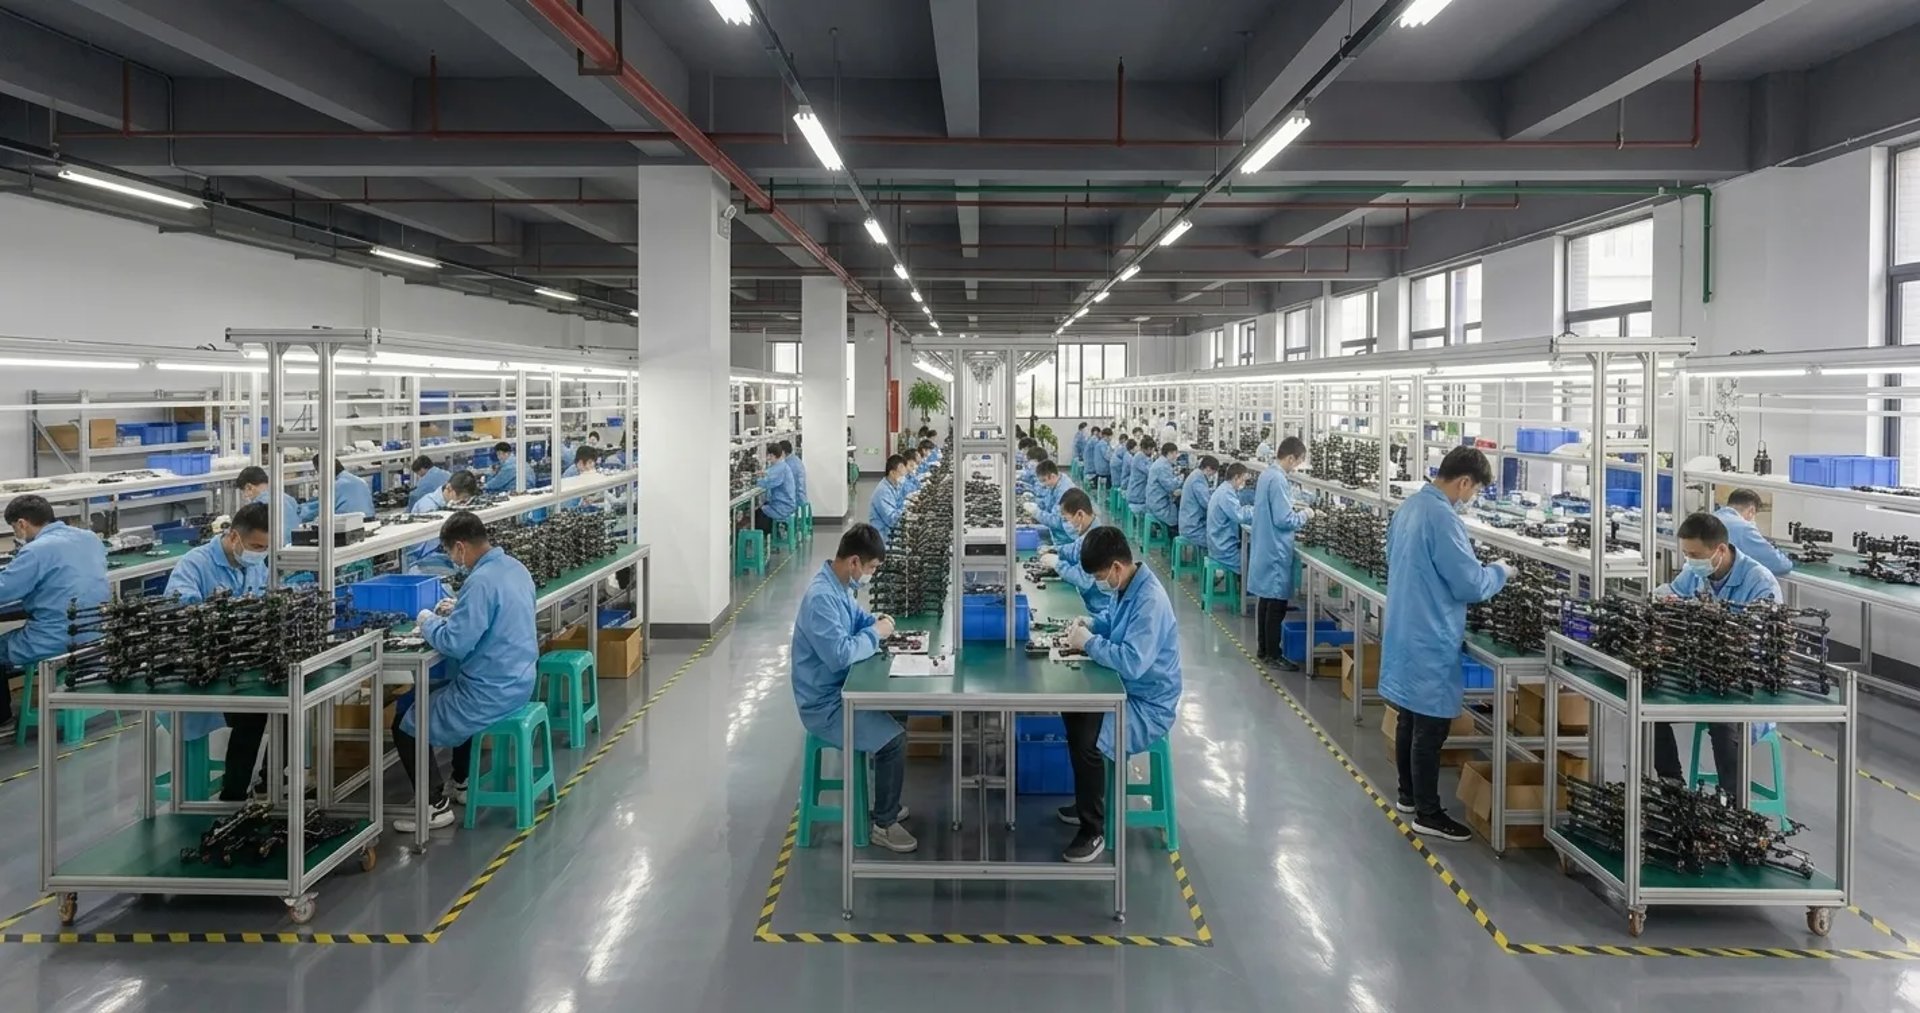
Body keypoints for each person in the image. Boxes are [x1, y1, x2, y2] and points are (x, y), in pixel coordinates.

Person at [1379, 447, 1512, 843]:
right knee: (1430, 728)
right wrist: (1499, 572)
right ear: (1464, 482)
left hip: (1406, 623)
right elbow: (1470, 583)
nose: (1470, 498)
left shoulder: (1410, 507)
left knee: (1409, 716)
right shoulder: (1442, 517)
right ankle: (1428, 813)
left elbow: (1393, 556)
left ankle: (1407, 795)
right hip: (1429, 631)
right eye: (1473, 491)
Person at [394, 511, 539, 832]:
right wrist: (460, 607)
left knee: (405, 716)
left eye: (449, 552)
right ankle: (462, 781)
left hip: (490, 693)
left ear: (460, 547)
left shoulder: (480, 581)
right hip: (520, 681)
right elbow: (499, 617)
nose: (452, 559)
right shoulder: (515, 568)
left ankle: (433, 806)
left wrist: (427, 621)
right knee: (449, 687)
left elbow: (455, 643)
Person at [1058, 527, 1183, 863]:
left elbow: (1132, 661)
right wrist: (1090, 624)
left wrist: (1089, 644)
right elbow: (1111, 620)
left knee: (1087, 734)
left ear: (1115, 566)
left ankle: (1093, 828)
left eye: (1101, 576)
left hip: (1148, 704)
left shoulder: (1150, 601)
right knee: (1071, 711)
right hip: (1128, 690)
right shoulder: (1129, 584)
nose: (1102, 582)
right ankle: (1087, 798)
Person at [789, 524, 914, 851]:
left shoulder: (840, 586)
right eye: (871, 568)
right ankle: (883, 825)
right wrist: (876, 635)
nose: (871, 575)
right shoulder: (821, 599)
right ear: (855, 562)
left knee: (899, 709)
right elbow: (841, 656)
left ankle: (885, 797)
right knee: (895, 740)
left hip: (839, 689)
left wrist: (876, 622)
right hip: (825, 705)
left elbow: (857, 620)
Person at [1651, 511, 1783, 792]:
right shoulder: (1695, 573)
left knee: (1724, 722)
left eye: (1695, 554)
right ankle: (1671, 784)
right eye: (1686, 554)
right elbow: (1670, 594)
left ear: (1720, 550)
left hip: (1745, 686)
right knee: (1649, 706)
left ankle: (1733, 810)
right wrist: (1665, 601)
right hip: (1701, 676)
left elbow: (1763, 646)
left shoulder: (1760, 582)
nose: (1690, 561)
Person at [164, 503, 272, 800]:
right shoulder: (195, 564)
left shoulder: (254, 564)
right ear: (234, 536)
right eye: (255, 546)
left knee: (288, 709)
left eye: (265, 547)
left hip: (240, 665)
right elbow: (177, 610)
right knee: (256, 711)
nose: (260, 553)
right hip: (198, 670)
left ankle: (268, 782)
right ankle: (233, 796)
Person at [0, 495, 110, 738]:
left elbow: (5, 590)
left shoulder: (36, 550)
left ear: (21, 524)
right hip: (96, 632)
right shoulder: (89, 538)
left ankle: (3, 721)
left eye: (13, 529)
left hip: (56, 638)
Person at [1248, 437, 1315, 666]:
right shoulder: (1277, 479)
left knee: (1265, 600)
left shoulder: (1268, 474)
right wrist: (1306, 514)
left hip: (1266, 545)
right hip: (1276, 548)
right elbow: (1284, 519)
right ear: (1290, 457)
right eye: (1297, 462)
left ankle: (1263, 649)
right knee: (1275, 605)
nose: (1296, 467)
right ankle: (1274, 655)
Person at [1039, 489, 1114, 617]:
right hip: (1089, 599)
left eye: (1067, 519)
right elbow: (1075, 549)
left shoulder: (1096, 540)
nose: (1067, 524)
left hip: (1099, 608)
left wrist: (1057, 564)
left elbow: (1082, 579)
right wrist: (1056, 549)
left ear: (1080, 514)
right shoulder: (1089, 530)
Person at [1715, 489, 1793, 577]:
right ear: (1751, 510)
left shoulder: (1712, 517)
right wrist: (1787, 557)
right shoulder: (1743, 528)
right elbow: (1781, 566)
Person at [1207, 463, 1257, 575]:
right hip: (1223, 549)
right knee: (1255, 565)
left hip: (1217, 541)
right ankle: (1245, 590)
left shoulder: (1224, 488)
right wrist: (1257, 509)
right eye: (1243, 480)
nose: (1244, 484)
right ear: (1236, 477)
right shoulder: (1226, 493)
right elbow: (1239, 515)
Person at [237, 465, 301, 545]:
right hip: (292, 549)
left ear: (249, 487)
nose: (245, 496)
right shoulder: (288, 499)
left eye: (243, 491)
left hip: (272, 552)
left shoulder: (258, 506)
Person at [1028, 461, 1076, 541]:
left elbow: (1056, 521)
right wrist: (1035, 502)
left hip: (1065, 537)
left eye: (1044, 480)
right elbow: (1048, 503)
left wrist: (1037, 513)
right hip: (1057, 531)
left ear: (1053, 476)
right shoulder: (1057, 482)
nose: (1043, 484)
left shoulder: (1064, 492)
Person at [756, 443, 797, 536]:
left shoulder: (780, 468)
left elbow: (768, 483)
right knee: (763, 507)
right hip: (786, 503)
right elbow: (769, 473)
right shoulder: (781, 465)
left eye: (768, 455)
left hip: (782, 506)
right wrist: (764, 474)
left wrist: (757, 480)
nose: (767, 458)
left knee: (758, 513)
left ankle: (764, 537)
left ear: (771, 455)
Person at [1146, 442, 1183, 537]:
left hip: (1154, 500)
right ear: (1170, 453)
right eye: (1175, 453)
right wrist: (1181, 478)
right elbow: (1171, 486)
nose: (1176, 456)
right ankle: (1172, 546)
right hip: (1159, 504)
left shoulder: (1160, 462)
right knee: (1177, 518)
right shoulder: (1163, 466)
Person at [1178, 455, 1218, 544]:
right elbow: (1207, 503)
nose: (1212, 476)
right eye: (1213, 473)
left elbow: (1204, 492)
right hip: (1193, 528)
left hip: (1190, 522)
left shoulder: (1196, 474)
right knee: (1219, 540)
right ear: (1208, 469)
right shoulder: (1198, 479)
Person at [869, 454, 909, 542]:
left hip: (892, 532)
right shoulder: (883, 491)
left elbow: (900, 504)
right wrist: (908, 513)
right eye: (901, 473)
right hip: (883, 537)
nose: (903, 476)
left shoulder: (895, 485)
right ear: (892, 473)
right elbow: (891, 519)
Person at [779, 440, 809, 512]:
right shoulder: (795, 460)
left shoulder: (789, 464)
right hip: (800, 498)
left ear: (783, 452)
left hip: (794, 500)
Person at [1125, 439, 1152, 517]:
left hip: (1135, 492)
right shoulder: (1140, 457)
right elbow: (1149, 471)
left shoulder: (1140, 456)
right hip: (1136, 496)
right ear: (1148, 449)